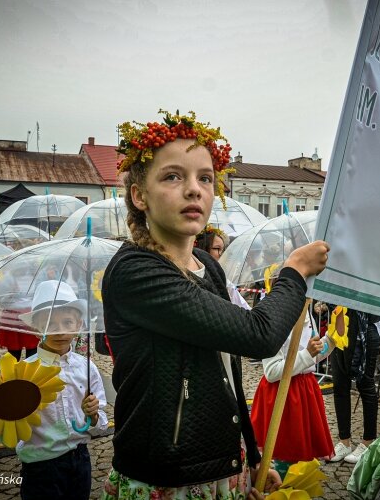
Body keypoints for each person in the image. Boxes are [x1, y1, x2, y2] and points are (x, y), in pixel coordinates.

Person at [100, 110, 329, 500]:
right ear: (139, 195)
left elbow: (228, 368)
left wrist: (251, 455)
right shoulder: (135, 271)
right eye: (173, 176)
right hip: (167, 478)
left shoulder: (207, 264)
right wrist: (293, 272)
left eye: (204, 178)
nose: (194, 190)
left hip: (224, 467)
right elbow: (258, 335)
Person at [16, 280, 107, 500]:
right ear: (37, 328)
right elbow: (11, 428)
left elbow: (101, 424)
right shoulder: (25, 371)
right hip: (40, 465)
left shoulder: (86, 368)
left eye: (67, 322)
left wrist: (93, 414)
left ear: (78, 325)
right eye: (50, 324)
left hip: (80, 460)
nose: (60, 331)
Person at [249, 312, 335, 476]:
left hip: (304, 391)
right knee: (285, 452)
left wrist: (331, 338)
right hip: (283, 394)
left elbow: (314, 354)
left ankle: (297, 487)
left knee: (301, 457)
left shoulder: (306, 310)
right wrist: (307, 354)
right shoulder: (275, 315)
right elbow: (272, 371)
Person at [327, 307, 380, 464]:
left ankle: (368, 441)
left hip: (366, 328)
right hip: (339, 327)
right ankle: (345, 441)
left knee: (366, 385)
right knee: (339, 386)